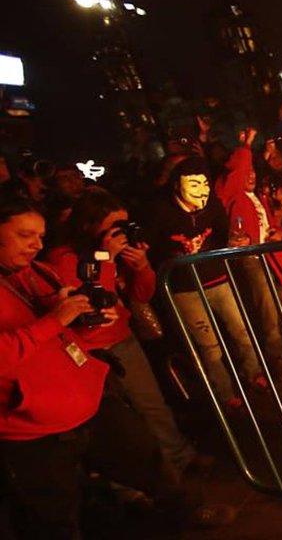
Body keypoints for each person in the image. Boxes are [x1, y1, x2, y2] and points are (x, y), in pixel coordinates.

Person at [0, 195, 234, 537]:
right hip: (32, 429)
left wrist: (84, 316)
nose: (36, 244)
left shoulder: (34, 271)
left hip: (87, 396)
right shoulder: (54, 261)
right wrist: (55, 319)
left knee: (149, 461)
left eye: (40, 235)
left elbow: (108, 304)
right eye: (25, 235)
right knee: (52, 516)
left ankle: (189, 511)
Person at [43, 187, 208, 479]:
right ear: (87, 226)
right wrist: (106, 260)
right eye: (113, 226)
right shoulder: (64, 259)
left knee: (152, 404)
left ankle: (179, 458)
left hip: (123, 338)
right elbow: (95, 302)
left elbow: (143, 293)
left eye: (123, 224)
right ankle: (132, 486)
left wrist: (142, 266)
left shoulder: (114, 251)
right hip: (90, 348)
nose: (120, 233)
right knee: (121, 421)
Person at [146, 157, 267, 409]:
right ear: (178, 186)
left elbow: (224, 233)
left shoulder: (212, 204)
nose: (200, 191)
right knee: (209, 345)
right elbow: (149, 249)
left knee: (240, 330)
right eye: (193, 185)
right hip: (183, 288)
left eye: (204, 185)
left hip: (216, 278)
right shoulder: (159, 210)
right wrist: (169, 258)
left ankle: (254, 373)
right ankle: (225, 394)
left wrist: (233, 241)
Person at [215, 128, 282, 382]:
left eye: (253, 173)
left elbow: (276, 224)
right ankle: (277, 356)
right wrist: (247, 146)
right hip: (252, 257)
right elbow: (238, 170)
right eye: (246, 173)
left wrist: (281, 233)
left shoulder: (259, 198)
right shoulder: (231, 196)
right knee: (267, 307)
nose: (250, 176)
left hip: (271, 254)